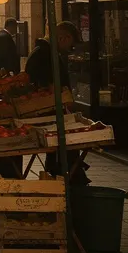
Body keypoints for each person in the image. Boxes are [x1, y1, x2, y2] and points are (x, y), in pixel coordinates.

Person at [25, 21, 90, 185]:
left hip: (47, 111)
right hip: (48, 112)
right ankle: (71, 180)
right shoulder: (47, 55)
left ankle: (63, 176)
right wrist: (64, 103)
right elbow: (50, 87)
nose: (70, 49)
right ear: (63, 38)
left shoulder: (44, 52)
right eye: (71, 45)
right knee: (65, 146)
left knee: (62, 151)